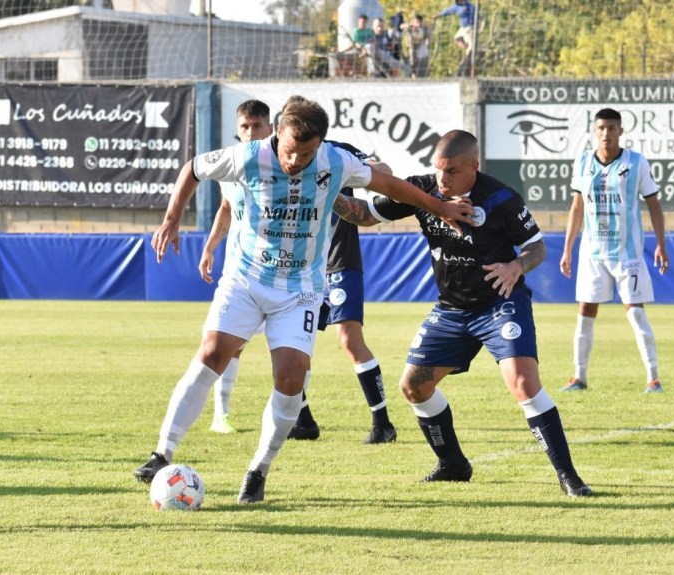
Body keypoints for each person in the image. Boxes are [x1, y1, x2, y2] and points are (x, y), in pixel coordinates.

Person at [134, 97, 474, 504]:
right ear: (278, 132)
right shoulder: (247, 156)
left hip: (299, 290)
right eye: (291, 149)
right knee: (212, 353)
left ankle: (257, 471)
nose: (296, 160)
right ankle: (161, 454)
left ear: (321, 146)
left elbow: (390, 186)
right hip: (244, 279)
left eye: (307, 153)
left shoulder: (336, 161)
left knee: (291, 378)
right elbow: (192, 169)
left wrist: (439, 207)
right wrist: (172, 219)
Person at [333, 129, 593, 497]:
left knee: (522, 382)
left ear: (474, 166)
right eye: (438, 169)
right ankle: (453, 464)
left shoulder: (501, 197)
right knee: (414, 386)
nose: (443, 179)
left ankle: (569, 477)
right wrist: (326, 191)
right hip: (452, 308)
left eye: (452, 171)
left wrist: (516, 267)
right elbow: (363, 216)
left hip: (500, 303)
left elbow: (536, 247)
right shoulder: (423, 190)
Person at [200, 104, 398, 445]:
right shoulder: (262, 160)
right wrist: (211, 246)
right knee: (289, 346)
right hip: (290, 270)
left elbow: (385, 172)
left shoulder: (335, 155)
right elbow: (227, 207)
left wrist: (354, 180)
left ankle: (382, 421)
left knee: (349, 339)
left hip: (337, 258)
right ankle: (301, 419)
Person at [559, 108, 668, 394]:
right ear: (595, 132)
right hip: (593, 253)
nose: (606, 133)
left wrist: (661, 244)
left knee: (635, 313)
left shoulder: (636, 162)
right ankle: (579, 377)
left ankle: (653, 378)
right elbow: (577, 206)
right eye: (601, 128)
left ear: (620, 131)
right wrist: (567, 249)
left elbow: (653, 204)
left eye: (611, 128)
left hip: (627, 254)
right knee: (585, 310)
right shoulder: (583, 161)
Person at [199, 99, 275, 435]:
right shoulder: (228, 166)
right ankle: (221, 414)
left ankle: (298, 414)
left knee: (290, 349)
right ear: (237, 129)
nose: (250, 132)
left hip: (279, 272)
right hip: (240, 271)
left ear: (270, 128)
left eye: (257, 125)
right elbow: (227, 208)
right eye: (245, 126)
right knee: (229, 345)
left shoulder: (281, 163)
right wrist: (210, 247)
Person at [435, 0, 476, 76]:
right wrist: (439, 14)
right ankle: (465, 46)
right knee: (456, 38)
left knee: (471, 48)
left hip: (469, 28)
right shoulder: (457, 6)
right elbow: (448, 11)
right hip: (463, 28)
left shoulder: (469, 6)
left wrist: (469, 12)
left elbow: (475, 13)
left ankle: (469, 53)